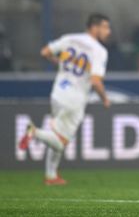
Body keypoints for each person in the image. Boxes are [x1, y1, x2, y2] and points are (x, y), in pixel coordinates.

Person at [18, 13, 111, 185]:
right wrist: (105, 99)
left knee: (57, 134)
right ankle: (34, 132)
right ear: (94, 27)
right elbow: (96, 81)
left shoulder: (70, 38)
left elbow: (45, 52)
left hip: (57, 94)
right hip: (74, 100)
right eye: (105, 27)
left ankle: (51, 176)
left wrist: (63, 63)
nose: (108, 31)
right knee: (60, 142)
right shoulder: (99, 51)